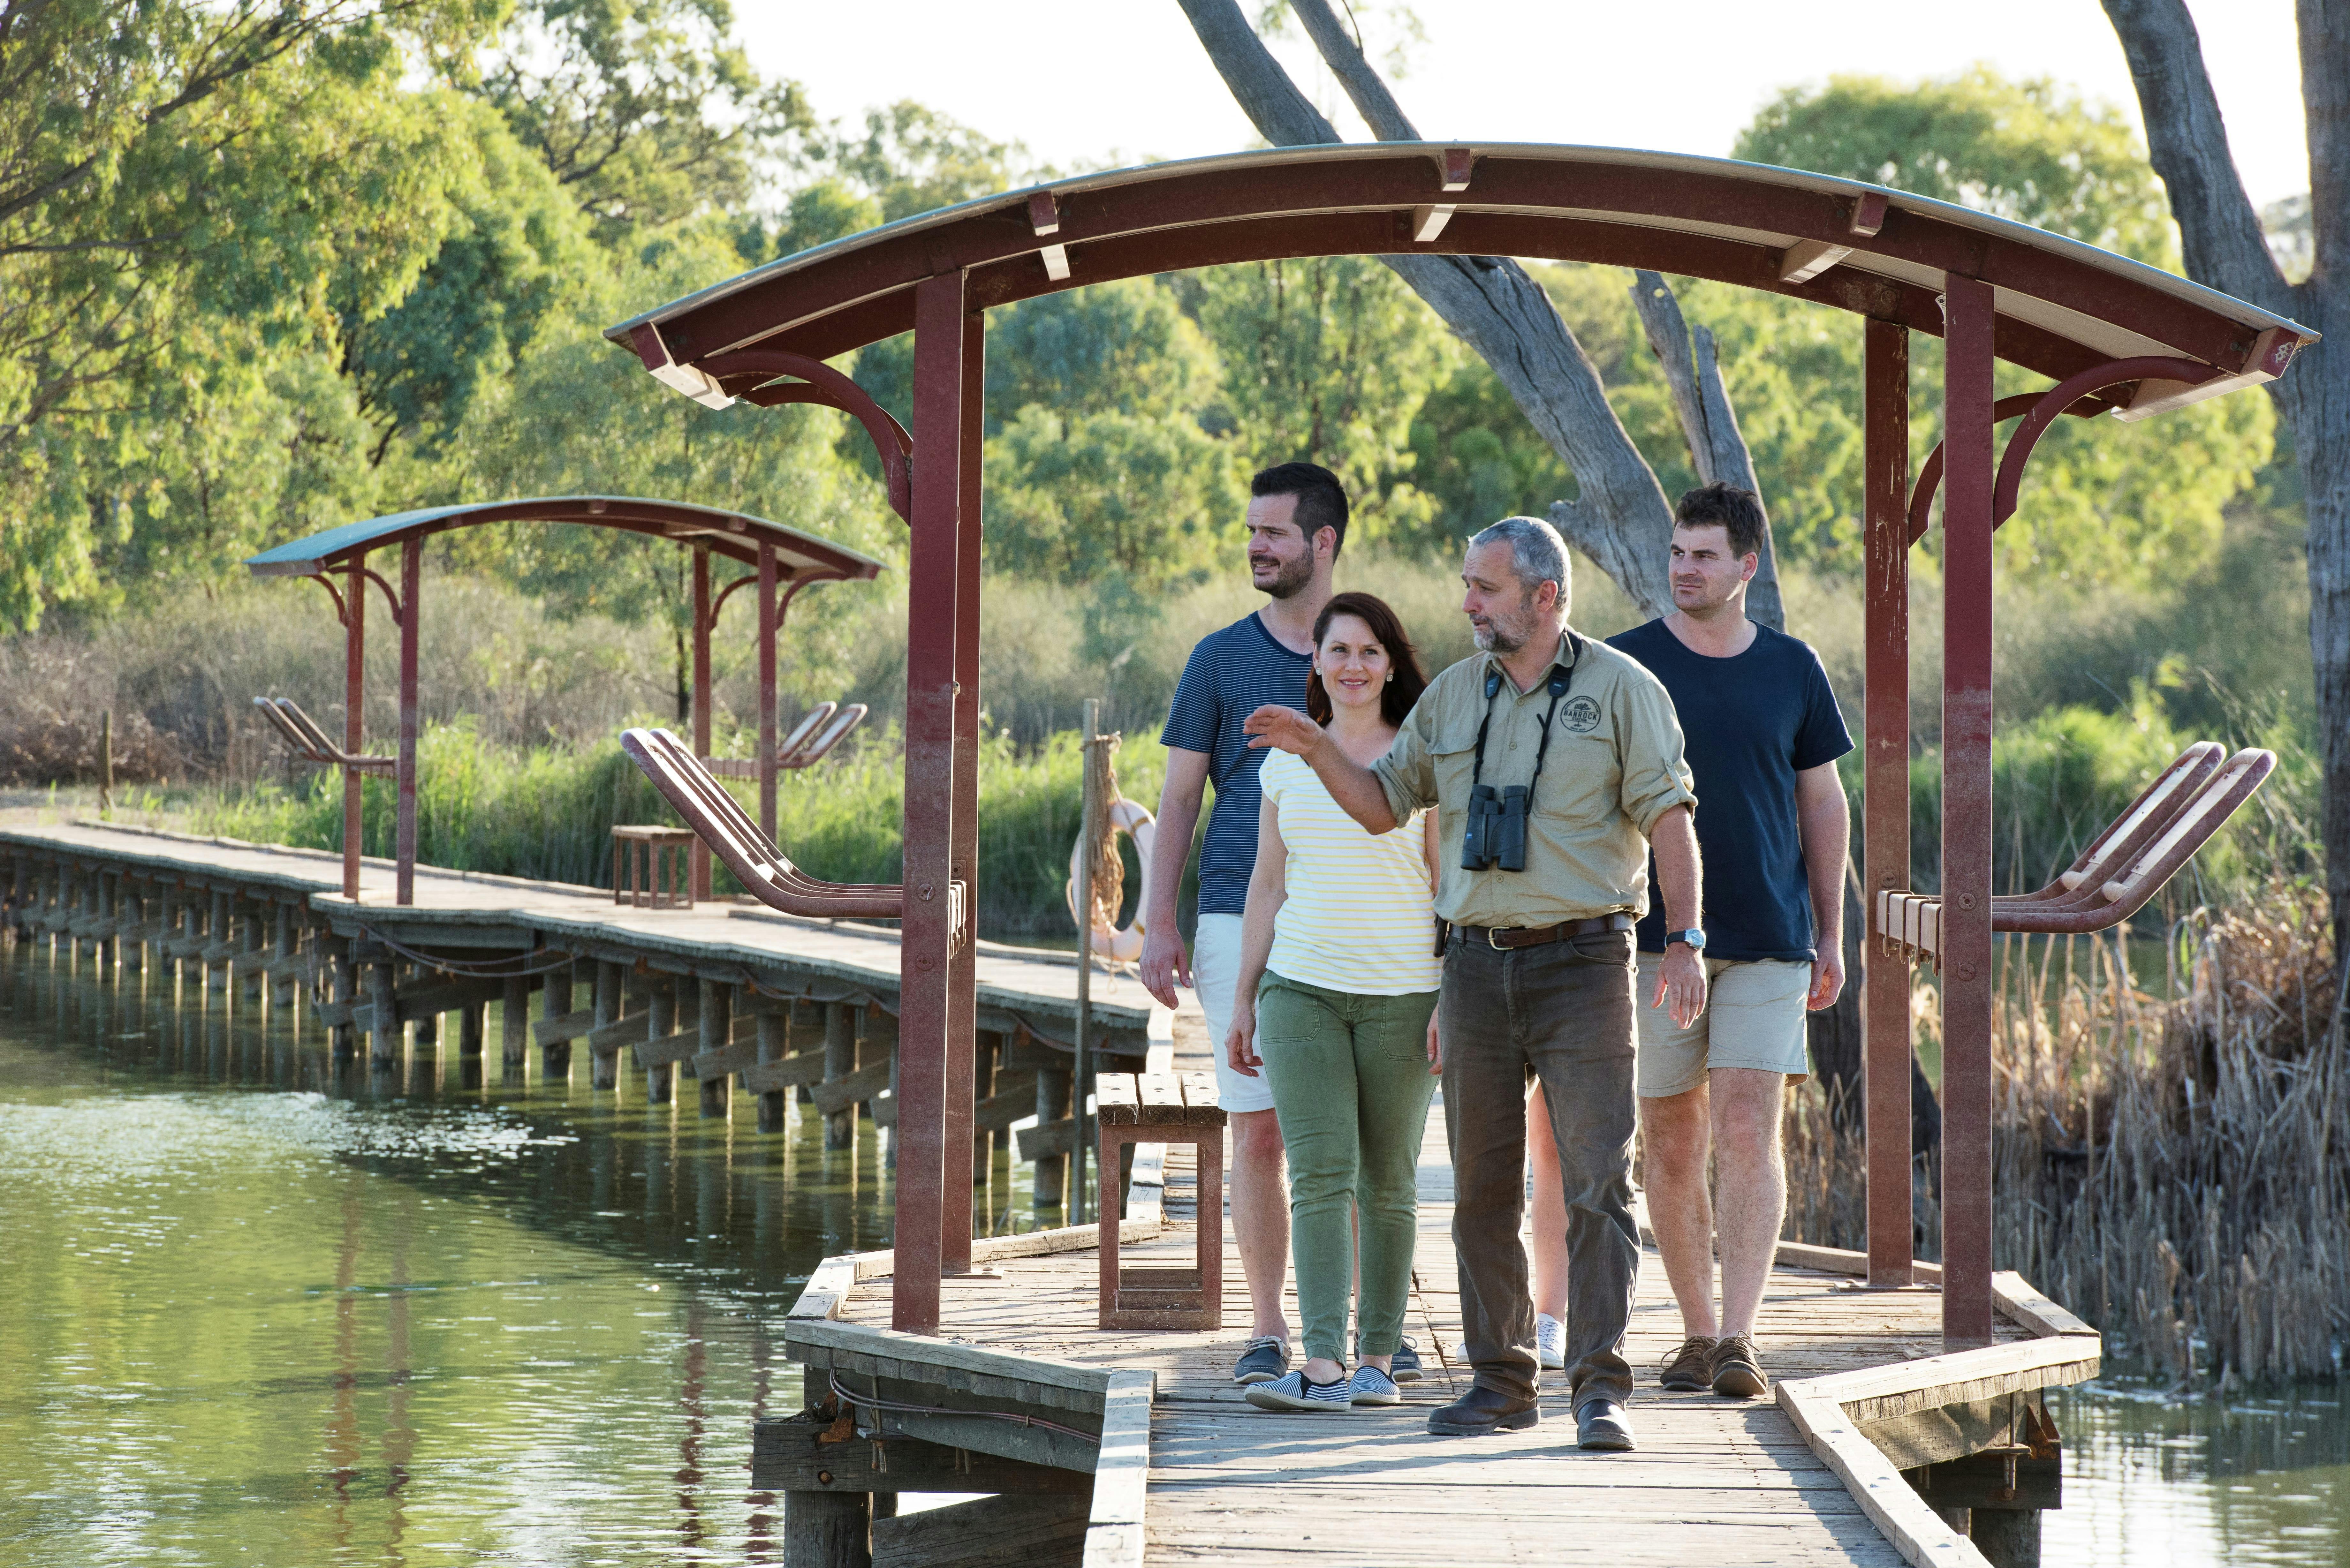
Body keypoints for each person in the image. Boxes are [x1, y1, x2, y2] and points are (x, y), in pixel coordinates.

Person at [1243, 515, 1705, 1453]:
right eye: (1465, 585)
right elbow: (1382, 807)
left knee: (1595, 1184)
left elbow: (1669, 817)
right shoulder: (1453, 696)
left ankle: (1599, 1387)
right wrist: (1316, 749)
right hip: (1475, 967)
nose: (1465, 604)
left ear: (1545, 596)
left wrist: (1688, 937)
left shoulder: (1625, 690)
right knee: (1482, 1188)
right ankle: (1500, 1382)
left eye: (1484, 589)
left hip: (1584, 963)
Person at [1523, 482, 1853, 1400]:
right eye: (1677, 552)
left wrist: (1832, 932)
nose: (1685, 568)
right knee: (1670, 1139)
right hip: (1651, 942)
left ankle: (1743, 1338)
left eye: (1705, 554)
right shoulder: (1622, 666)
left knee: (1749, 1124)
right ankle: (1698, 1333)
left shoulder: (1794, 669)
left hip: (1770, 939)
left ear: (1748, 567)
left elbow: (1822, 802)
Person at [1144, 463, 1430, 1387]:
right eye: (1252, 531)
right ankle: (1272, 1330)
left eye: (1274, 533)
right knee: (1264, 1131)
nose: (1257, 547)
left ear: (1324, 542)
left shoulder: (1376, 656)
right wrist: (1159, 922)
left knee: (1355, 1140)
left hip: (1374, 936)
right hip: (1242, 911)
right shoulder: (1218, 659)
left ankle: (1362, 1327)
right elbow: (1181, 795)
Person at [1225, 593, 1442, 1413]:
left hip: (1402, 995)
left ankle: (1378, 1363)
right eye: (1338, 649)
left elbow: (1448, 886)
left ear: (1391, 663)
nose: (1353, 664)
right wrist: (1244, 997)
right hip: (1299, 990)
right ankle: (1319, 1366)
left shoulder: (1421, 761)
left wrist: (1447, 996)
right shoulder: (1282, 764)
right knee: (1319, 1173)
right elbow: (1266, 884)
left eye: (1369, 651)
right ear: (1314, 661)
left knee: (1386, 1180)